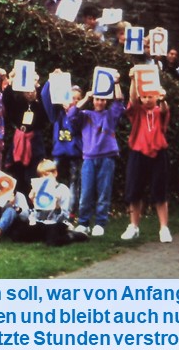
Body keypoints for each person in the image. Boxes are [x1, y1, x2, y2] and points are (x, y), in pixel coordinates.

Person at [68, 73, 125, 237]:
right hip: (89, 158)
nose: (99, 102)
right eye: (97, 99)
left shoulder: (110, 115)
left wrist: (116, 83)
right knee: (86, 192)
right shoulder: (85, 115)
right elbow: (71, 114)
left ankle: (100, 222)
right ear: (93, 101)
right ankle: (84, 222)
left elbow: (119, 102)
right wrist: (86, 97)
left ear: (106, 101)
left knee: (103, 192)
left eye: (102, 100)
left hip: (107, 158)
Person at [120, 68, 173, 243]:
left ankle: (164, 228)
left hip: (158, 152)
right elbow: (132, 99)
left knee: (160, 191)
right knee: (134, 191)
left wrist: (163, 98)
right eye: (145, 96)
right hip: (138, 152)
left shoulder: (160, 110)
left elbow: (165, 109)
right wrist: (135, 79)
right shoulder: (137, 111)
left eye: (151, 96)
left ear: (156, 96)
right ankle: (134, 226)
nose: (147, 99)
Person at [40, 72, 83, 222]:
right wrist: (51, 80)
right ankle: (47, 208)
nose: (74, 101)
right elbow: (45, 97)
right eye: (72, 97)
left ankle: (70, 213)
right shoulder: (57, 113)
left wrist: (74, 111)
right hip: (59, 152)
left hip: (75, 153)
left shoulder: (80, 114)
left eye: (78, 99)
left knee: (74, 183)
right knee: (49, 179)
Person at [1, 70, 48, 196]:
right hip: (19, 141)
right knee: (17, 174)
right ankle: (19, 205)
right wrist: (11, 82)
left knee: (33, 175)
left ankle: (33, 204)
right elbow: (7, 100)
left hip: (35, 142)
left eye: (33, 90)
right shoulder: (17, 103)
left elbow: (46, 111)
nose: (31, 93)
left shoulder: (41, 104)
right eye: (28, 90)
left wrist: (37, 84)